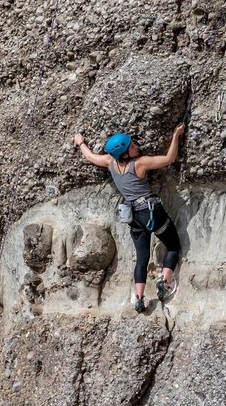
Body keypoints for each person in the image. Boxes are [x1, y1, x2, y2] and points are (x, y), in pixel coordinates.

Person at [74, 125, 185, 312]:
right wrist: (176, 135)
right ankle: (164, 283)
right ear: (125, 154)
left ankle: (139, 298)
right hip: (151, 211)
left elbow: (90, 157)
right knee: (173, 245)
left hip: (133, 216)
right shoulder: (139, 164)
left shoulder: (110, 161)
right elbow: (169, 158)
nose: (137, 147)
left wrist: (81, 143)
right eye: (132, 146)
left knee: (141, 259)